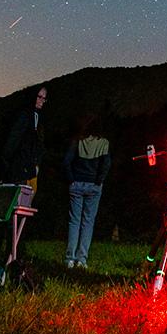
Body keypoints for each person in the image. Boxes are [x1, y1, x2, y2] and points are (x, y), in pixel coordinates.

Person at [63, 112, 111, 269]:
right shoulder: (104, 143)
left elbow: (66, 161)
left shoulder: (77, 141)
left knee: (74, 221)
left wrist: (71, 180)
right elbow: (105, 165)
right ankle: (82, 260)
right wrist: (99, 181)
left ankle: (70, 258)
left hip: (76, 184)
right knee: (88, 222)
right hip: (93, 186)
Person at [2, 85, 47, 197]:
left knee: (25, 206)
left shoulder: (38, 117)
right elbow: (13, 141)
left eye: (44, 98)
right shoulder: (24, 115)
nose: (42, 101)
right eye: (39, 97)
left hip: (30, 170)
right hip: (19, 170)